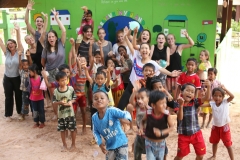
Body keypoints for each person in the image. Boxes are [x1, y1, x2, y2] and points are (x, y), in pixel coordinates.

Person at [117, 27, 181, 110]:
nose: (144, 50)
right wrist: (128, 35)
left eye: (146, 48)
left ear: (149, 51)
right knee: (121, 105)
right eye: (142, 48)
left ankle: (176, 106)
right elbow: (130, 44)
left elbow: (161, 69)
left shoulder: (152, 63)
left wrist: (171, 73)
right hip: (132, 85)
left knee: (149, 105)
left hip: (144, 88)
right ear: (139, 51)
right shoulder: (136, 56)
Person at [174, 81, 211, 160]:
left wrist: (209, 87)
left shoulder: (195, 102)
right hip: (183, 134)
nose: (190, 93)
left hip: (196, 133)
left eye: (192, 92)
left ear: (194, 95)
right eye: (187, 90)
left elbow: (206, 98)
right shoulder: (177, 103)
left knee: (200, 155)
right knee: (180, 156)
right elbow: (180, 118)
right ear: (181, 92)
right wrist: (181, 106)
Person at [92, 90, 132, 160]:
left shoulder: (112, 111)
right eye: (96, 99)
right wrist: (100, 143)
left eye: (102, 98)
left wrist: (127, 119)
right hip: (109, 146)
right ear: (93, 104)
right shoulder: (94, 117)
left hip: (121, 143)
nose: (99, 100)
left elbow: (126, 113)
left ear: (108, 102)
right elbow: (95, 132)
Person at [201, 86, 234, 160]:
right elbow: (201, 104)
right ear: (212, 96)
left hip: (225, 128)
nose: (217, 97)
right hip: (215, 127)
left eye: (220, 96)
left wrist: (225, 89)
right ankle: (214, 156)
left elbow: (232, 96)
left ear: (223, 97)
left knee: (228, 145)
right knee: (214, 142)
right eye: (215, 95)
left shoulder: (225, 102)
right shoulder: (212, 104)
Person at [139, 90, 174, 160]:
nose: (165, 105)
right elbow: (142, 121)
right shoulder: (148, 113)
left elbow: (172, 127)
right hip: (149, 143)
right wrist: (141, 128)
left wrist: (161, 132)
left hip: (161, 144)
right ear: (153, 105)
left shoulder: (166, 115)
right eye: (162, 103)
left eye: (165, 103)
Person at [0, 22, 23, 121]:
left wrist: (17, 30)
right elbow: (0, 42)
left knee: (18, 96)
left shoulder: (20, 51)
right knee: (8, 96)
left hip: (17, 77)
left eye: (11, 43)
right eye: (8, 44)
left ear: (15, 44)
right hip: (7, 78)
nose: (10, 45)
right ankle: (8, 115)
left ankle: (20, 113)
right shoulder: (7, 53)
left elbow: (18, 39)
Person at [41, 8, 66, 92]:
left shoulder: (60, 43)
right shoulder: (46, 48)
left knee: (63, 92)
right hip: (50, 72)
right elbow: (43, 61)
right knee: (53, 95)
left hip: (61, 72)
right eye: (49, 37)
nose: (51, 38)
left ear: (56, 38)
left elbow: (64, 30)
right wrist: (46, 69)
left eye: (52, 36)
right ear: (47, 39)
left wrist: (56, 18)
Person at [52, 71, 77, 152]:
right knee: (62, 130)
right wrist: (60, 102)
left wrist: (71, 102)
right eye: (62, 80)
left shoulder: (70, 89)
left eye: (66, 79)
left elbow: (74, 98)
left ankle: (73, 145)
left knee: (72, 129)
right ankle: (64, 145)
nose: (64, 81)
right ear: (57, 81)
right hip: (61, 115)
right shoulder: (56, 91)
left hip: (70, 114)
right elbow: (54, 102)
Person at [166, 31, 194, 100]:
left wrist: (187, 36)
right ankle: (170, 110)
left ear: (174, 40)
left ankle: (177, 109)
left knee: (176, 96)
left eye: (172, 38)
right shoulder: (166, 49)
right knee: (168, 96)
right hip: (168, 75)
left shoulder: (179, 47)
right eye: (168, 39)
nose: (170, 40)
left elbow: (191, 44)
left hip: (177, 76)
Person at [128, 87, 150, 160]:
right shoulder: (137, 107)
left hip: (149, 138)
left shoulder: (151, 110)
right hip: (139, 136)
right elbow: (131, 101)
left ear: (148, 98)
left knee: (150, 155)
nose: (139, 100)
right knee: (137, 154)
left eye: (142, 98)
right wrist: (134, 92)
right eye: (138, 98)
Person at [28, 64, 45, 128]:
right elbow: (28, 86)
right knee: (34, 110)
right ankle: (36, 122)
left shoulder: (40, 78)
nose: (29, 73)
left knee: (41, 110)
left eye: (30, 71)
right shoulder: (30, 79)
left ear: (34, 71)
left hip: (40, 98)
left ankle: (42, 122)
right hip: (33, 98)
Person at [18, 49, 33, 120]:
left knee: (33, 102)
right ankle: (23, 114)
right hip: (24, 90)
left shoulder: (30, 71)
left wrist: (29, 56)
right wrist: (19, 56)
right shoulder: (21, 71)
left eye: (27, 65)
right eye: (24, 65)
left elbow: (31, 63)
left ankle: (34, 114)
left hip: (32, 90)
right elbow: (20, 64)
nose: (25, 66)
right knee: (25, 102)